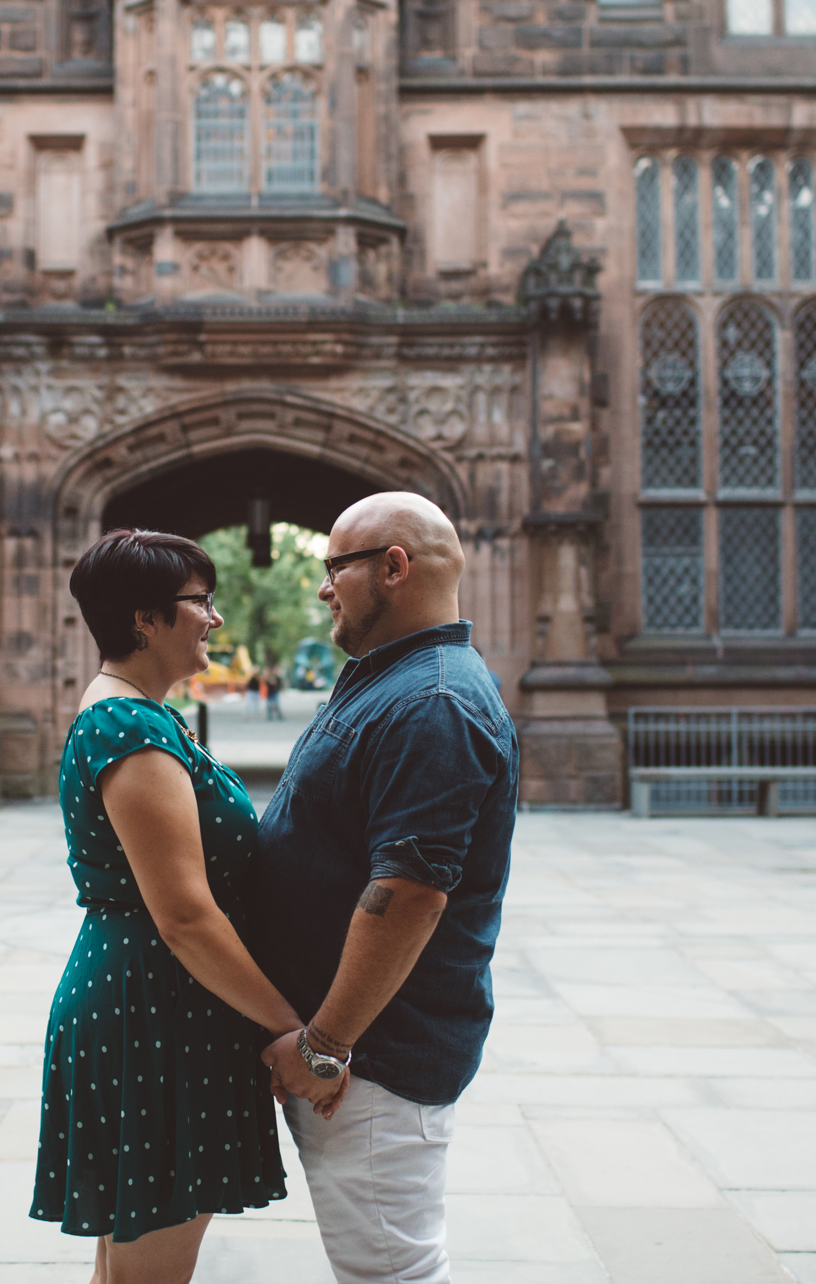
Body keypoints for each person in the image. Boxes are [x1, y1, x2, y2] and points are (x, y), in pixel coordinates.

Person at [31, 528, 344, 1284]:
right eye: (200, 601)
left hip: (155, 1002)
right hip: (153, 1010)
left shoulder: (137, 714)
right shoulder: (129, 726)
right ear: (145, 618)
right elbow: (185, 917)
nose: (214, 618)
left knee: (126, 1272)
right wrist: (298, 1034)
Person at [249, 492, 519, 1284]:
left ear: (393, 567)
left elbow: (408, 894)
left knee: (392, 1273)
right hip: (352, 1053)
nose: (325, 586)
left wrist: (325, 1046)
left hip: (374, 1059)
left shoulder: (433, 700)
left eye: (336, 567)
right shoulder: (393, 679)